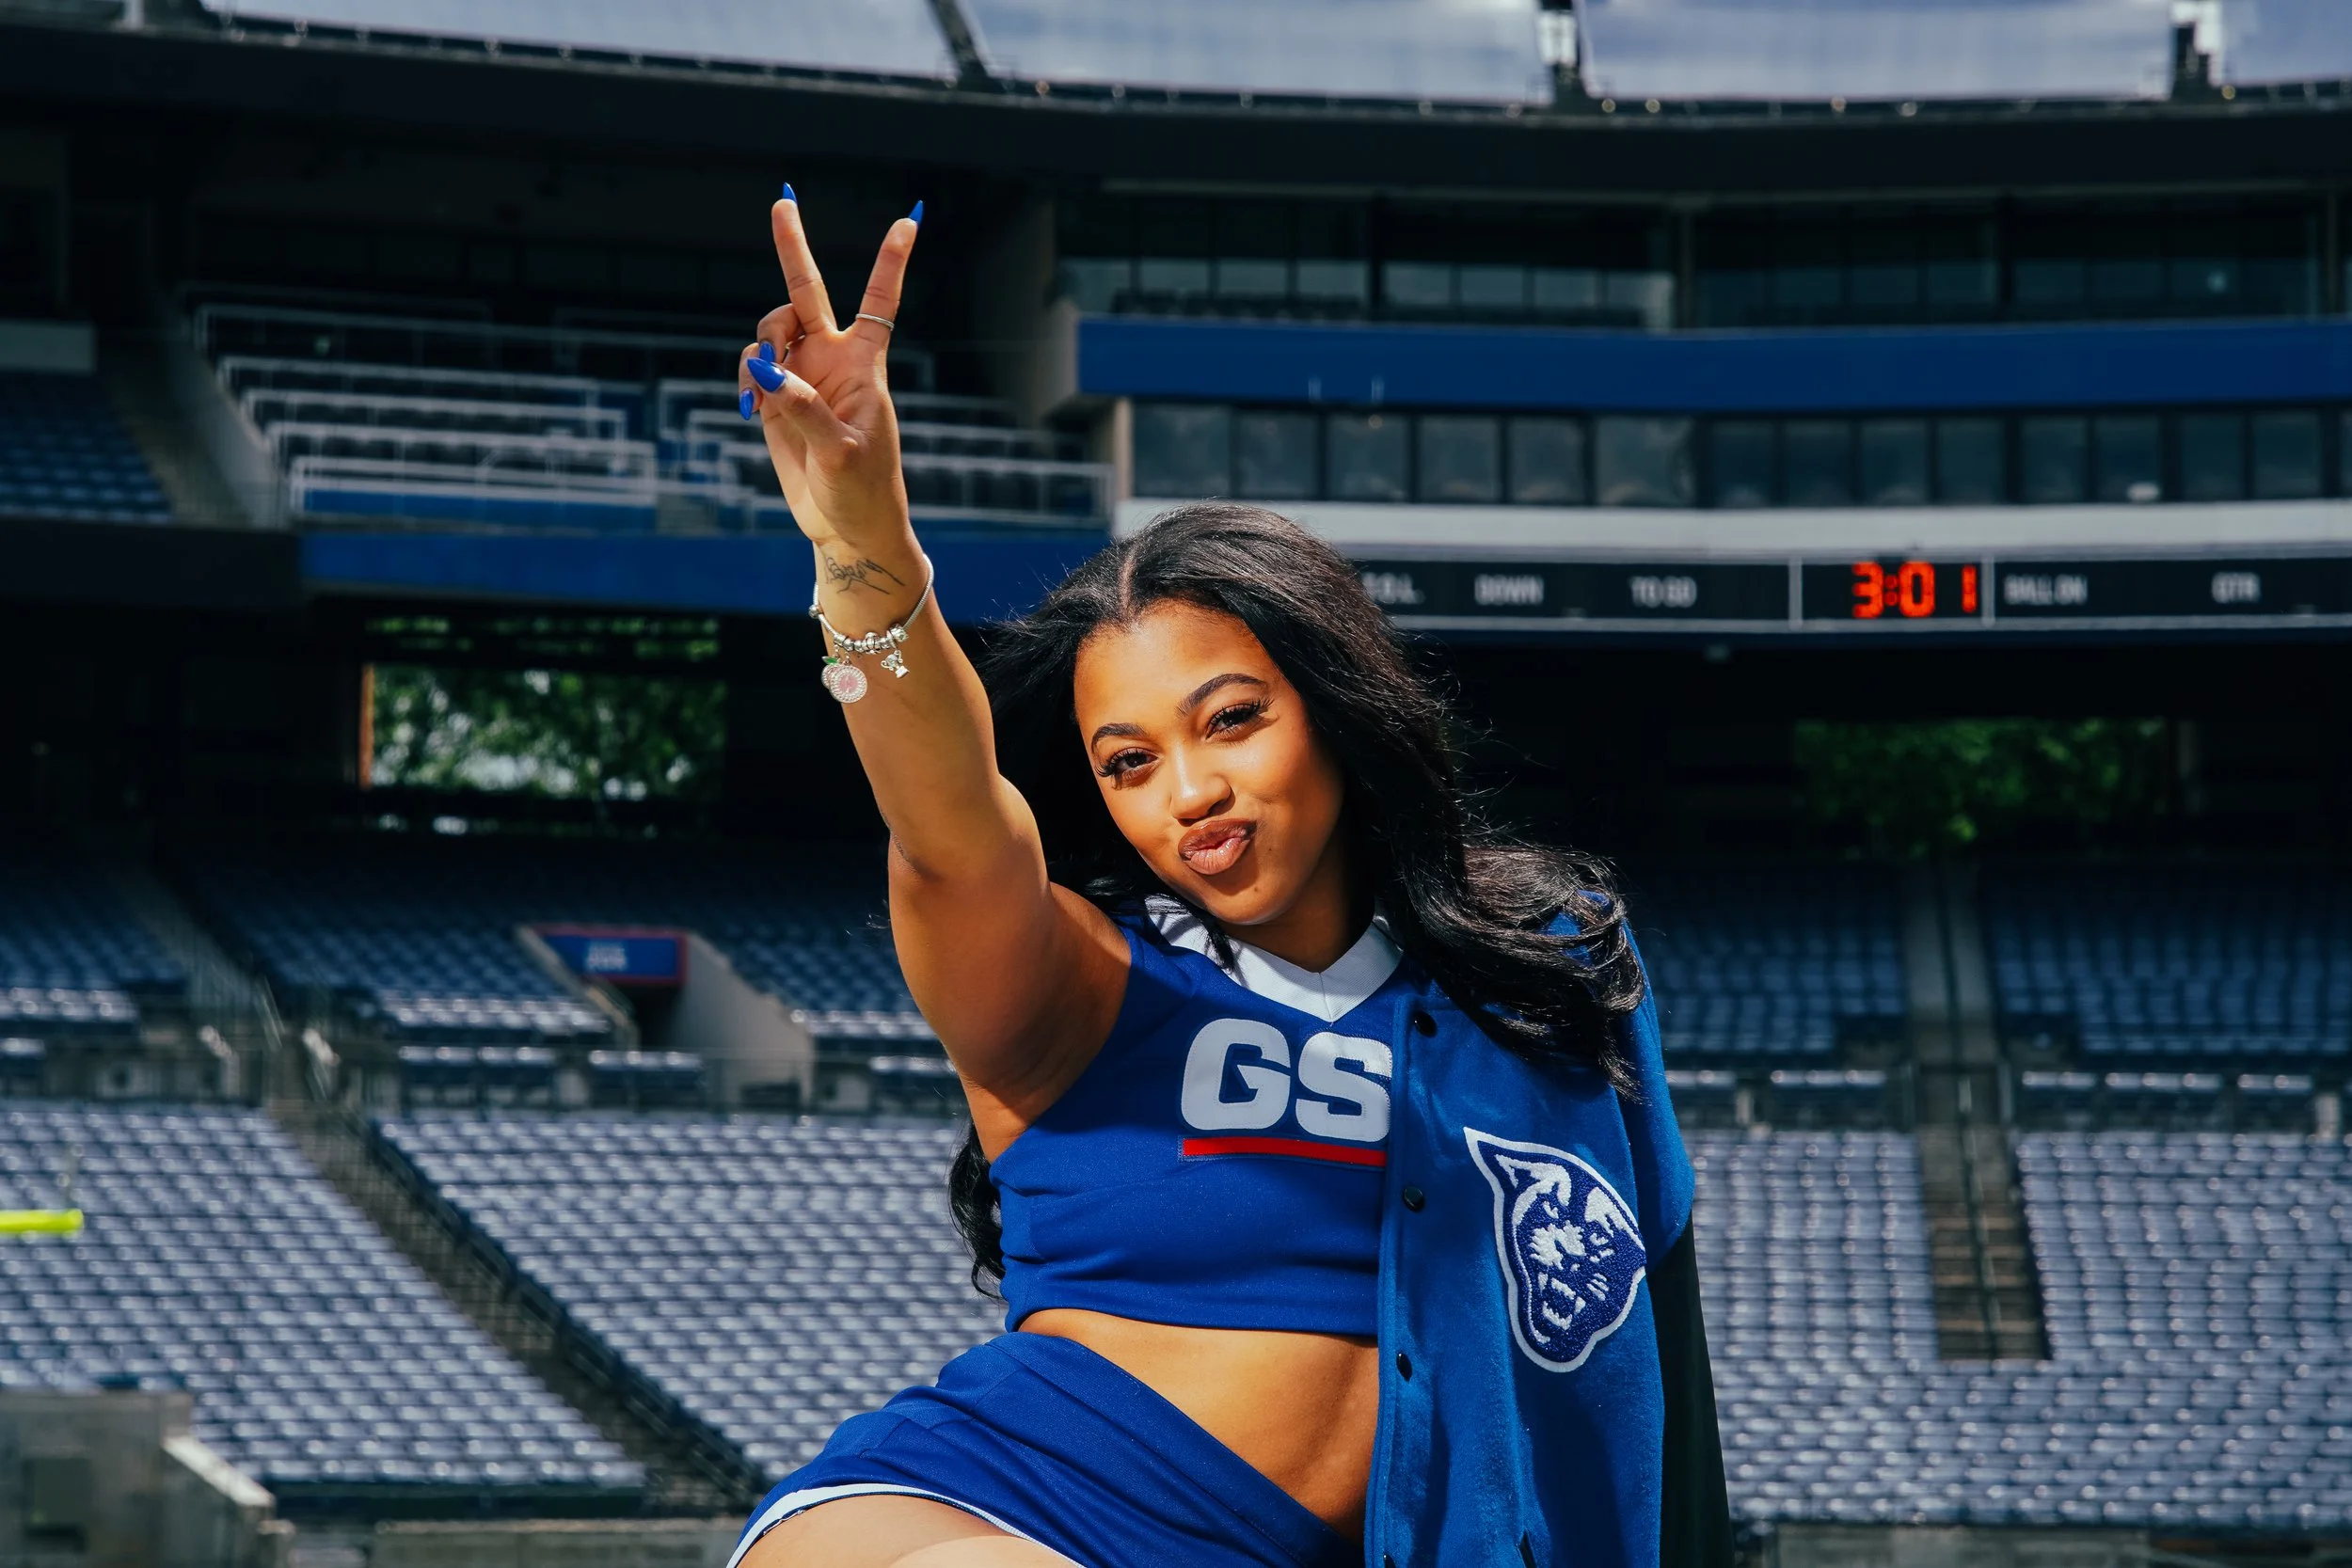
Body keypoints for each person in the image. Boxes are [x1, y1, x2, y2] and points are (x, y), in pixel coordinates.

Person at [727, 188, 1731, 1568]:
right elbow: (949, 816)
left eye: (1232, 720)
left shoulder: (1549, 971)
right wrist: (863, 545)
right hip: (983, 1507)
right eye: (1128, 762)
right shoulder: (1079, 975)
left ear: (1332, 706)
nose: (1188, 792)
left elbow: (1659, 1343)